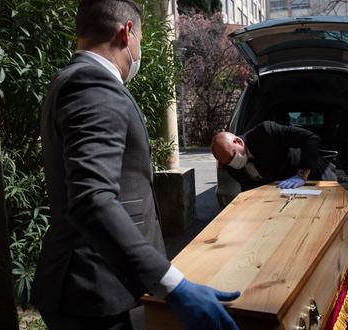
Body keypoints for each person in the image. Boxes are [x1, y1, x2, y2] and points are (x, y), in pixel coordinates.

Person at [32, 1, 240, 329]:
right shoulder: (92, 84)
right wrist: (174, 285)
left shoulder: (70, 79)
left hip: (96, 287)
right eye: (140, 39)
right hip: (94, 294)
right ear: (127, 33)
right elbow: (91, 200)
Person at [211, 120, 348, 303]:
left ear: (238, 142)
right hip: (285, 194)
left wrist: (302, 174)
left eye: (233, 156)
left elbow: (310, 138)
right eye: (228, 162)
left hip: (314, 179)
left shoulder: (266, 132)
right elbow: (248, 189)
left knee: (341, 227)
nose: (233, 162)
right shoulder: (232, 165)